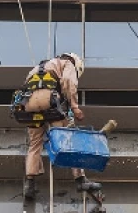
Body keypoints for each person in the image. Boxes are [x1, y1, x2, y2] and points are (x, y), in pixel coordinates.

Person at [15, 52, 101, 200]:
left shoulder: (38, 68)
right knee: (69, 139)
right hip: (51, 104)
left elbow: (25, 87)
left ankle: (29, 184)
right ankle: (80, 179)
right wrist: (74, 107)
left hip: (29, 106)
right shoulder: (68, 64)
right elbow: (69, 82)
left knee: (34, 144)